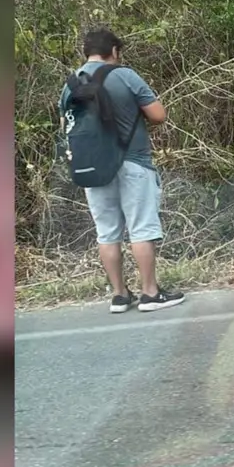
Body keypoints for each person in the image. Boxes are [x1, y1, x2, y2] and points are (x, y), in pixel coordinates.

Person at [59, 28, 185, 313]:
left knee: (107, 233)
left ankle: (119, 295)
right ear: (114, 51)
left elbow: (66, 125)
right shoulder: (125, 75)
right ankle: (150, 294)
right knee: (140, 228)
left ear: (86, 51)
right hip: (132, 162)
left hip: (92, 166)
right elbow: (159, 116)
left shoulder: (70, 85)